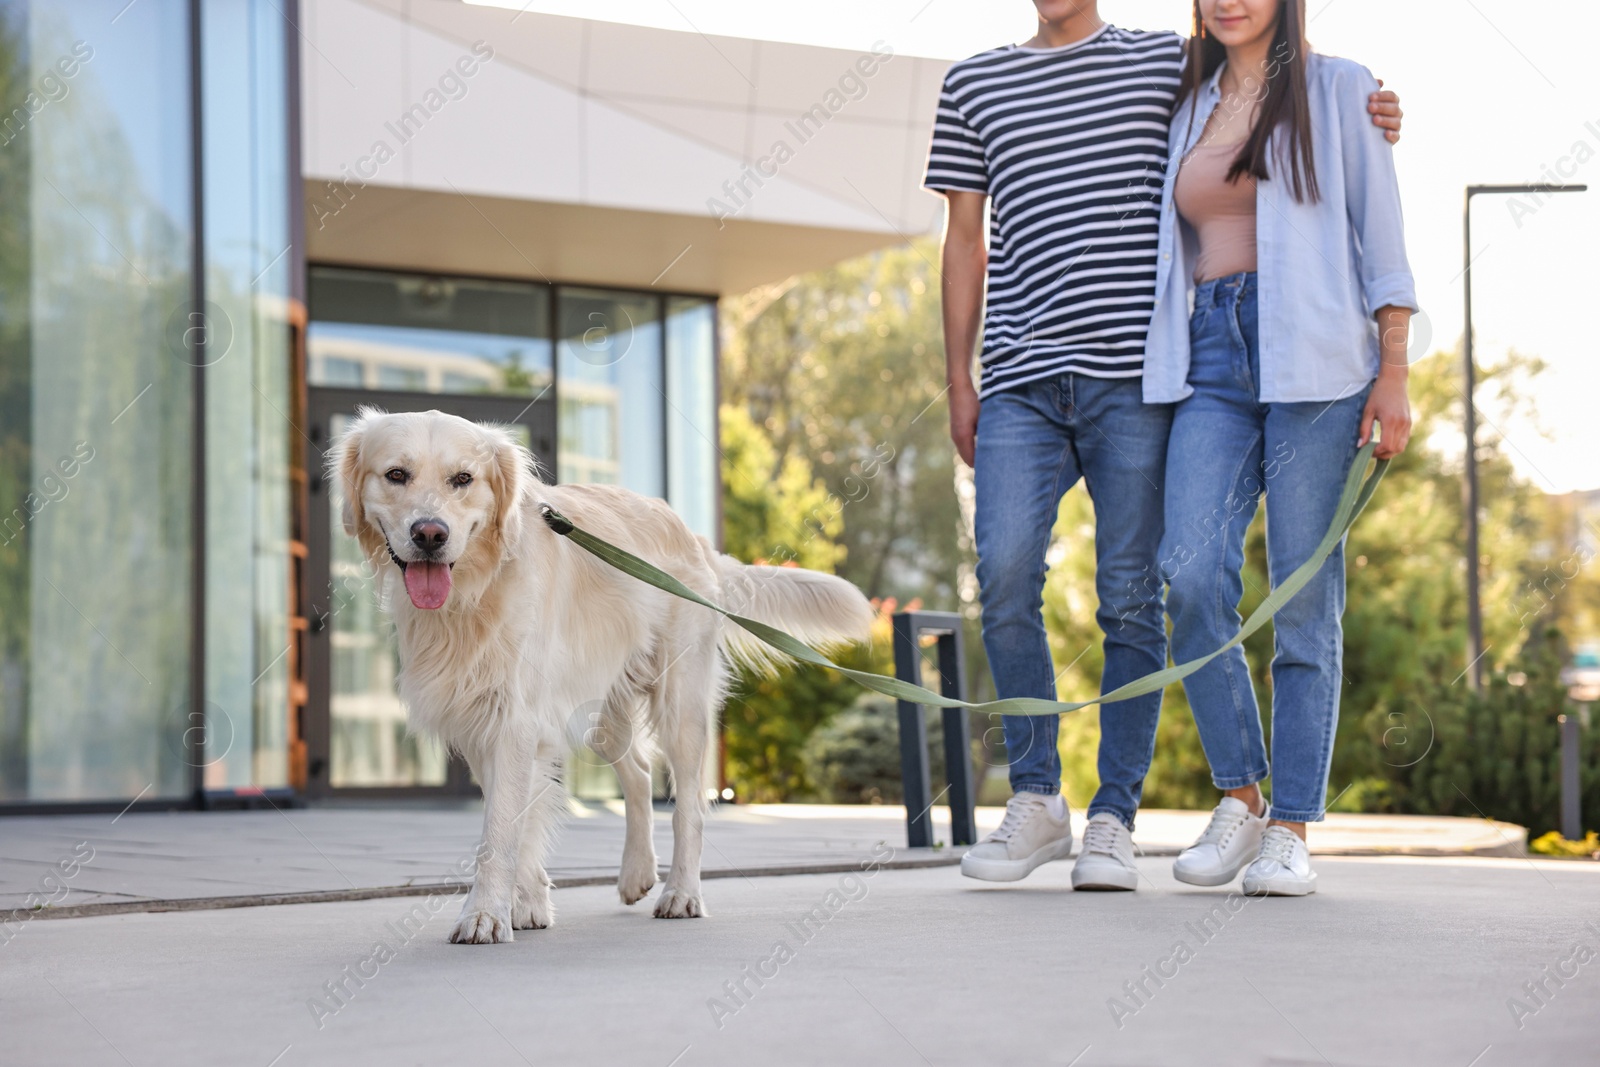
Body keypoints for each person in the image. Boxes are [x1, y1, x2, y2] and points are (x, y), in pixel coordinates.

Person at [923, 0, 1402, 890]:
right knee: (1090, 573)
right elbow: (964, 237)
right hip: (1116, 364)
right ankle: (1128, 795)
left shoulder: (1237, 74)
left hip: (1226, 364)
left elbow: (1353, 187)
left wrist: (1374, 113)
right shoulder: (1032, 83)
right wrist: (959, 379)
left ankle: (1204, 820)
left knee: (1220, 595)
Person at [1145, 0, 1416, 896]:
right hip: (1212, 355)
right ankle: (1244, 794)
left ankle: (1293, 824)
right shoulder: (1187, 98)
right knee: (1188, 576)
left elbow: (1384, 245)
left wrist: (1394, 373)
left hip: (1321, 360)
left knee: (1302, 598)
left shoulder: (1342, 91)